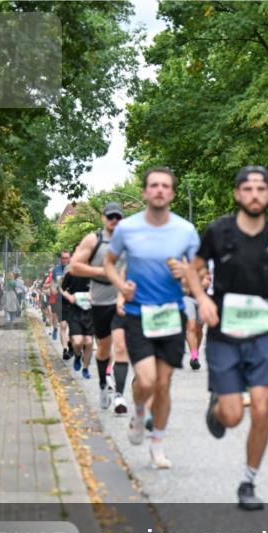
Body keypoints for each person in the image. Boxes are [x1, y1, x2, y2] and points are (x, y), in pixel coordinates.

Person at [190, 165, 268, 510]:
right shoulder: (218, 231)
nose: (255, 195)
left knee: (263, 409)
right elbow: (194, 270)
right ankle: (218, 407)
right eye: (248, 189)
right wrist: (203, 299)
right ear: (238, 194)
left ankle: (249, 482)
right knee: (234, 416)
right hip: (224, 334)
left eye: (261, 189)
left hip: (262, 335)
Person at [103, 166, 200, 469]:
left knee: (164, 383)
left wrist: (186, 275)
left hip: (172, 315)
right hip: (137, 315)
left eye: (165, 186)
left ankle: (157, 444)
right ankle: (139, 410)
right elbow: (109, 263)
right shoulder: (127, 229)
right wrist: (120, 285)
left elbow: (196, 274)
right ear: (145, 192)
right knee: (146, 380)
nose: (159, 190)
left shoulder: (186, 230)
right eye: (154, 185)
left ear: (171, 193)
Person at [70, 202, 131, 412]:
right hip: (100, 301)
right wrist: (101, 272)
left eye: (118, 217)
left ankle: (120, 396)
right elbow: (74, 266)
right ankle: (104, 385)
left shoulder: (129, 241)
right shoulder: (93, 240)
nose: (114, 220)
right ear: (104, 218)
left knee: (121, 346)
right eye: (110, 216)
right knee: (104, 348)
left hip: (123, 301)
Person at [59, 260, 94, 378]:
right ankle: (78, 355)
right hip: (74, 311)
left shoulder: (94, 273)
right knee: (77, 342)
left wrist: (93, 294)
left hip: (89, 311)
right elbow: (61, 288)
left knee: (89, 342)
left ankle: (85, 368)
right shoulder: (71, 274)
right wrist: (69, 296)